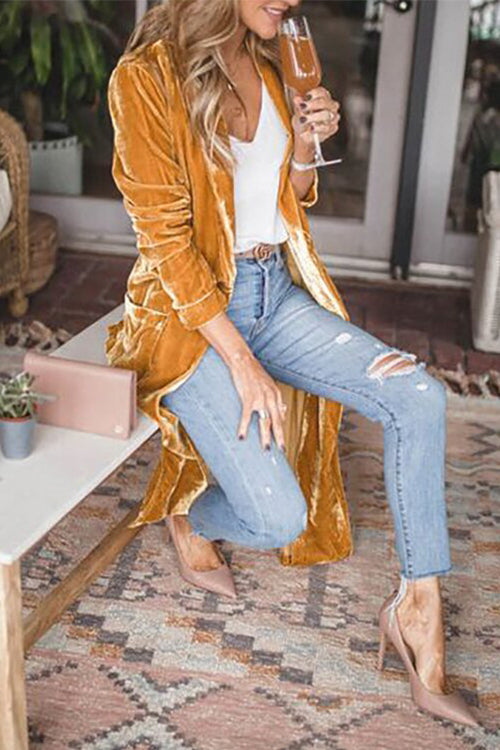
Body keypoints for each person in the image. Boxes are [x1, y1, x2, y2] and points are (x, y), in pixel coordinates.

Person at [106, 0, 479, 727]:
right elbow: (166, 246)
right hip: (189, 320)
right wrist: (244, 365)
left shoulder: (273, 54)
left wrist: (305, 145)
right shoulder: (146, 77)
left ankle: (417, 610)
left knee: (419, 396)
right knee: (278, 518)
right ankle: (190, 516)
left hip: (272, 291)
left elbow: (292, 196)